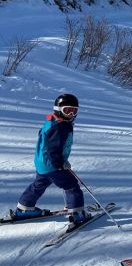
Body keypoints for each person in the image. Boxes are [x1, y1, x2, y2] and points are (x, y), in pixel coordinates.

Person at [12, 93, 91, 225]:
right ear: (58, 109)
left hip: (42, 164)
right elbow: (53, 148)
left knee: (39, 185)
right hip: (53, 165)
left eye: (74, 111)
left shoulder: (52, 122)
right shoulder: (61, 127)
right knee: (71, 185)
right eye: (67, 110)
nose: (71, 114)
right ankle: (77, 213)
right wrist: (59, 163)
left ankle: (24, 209)